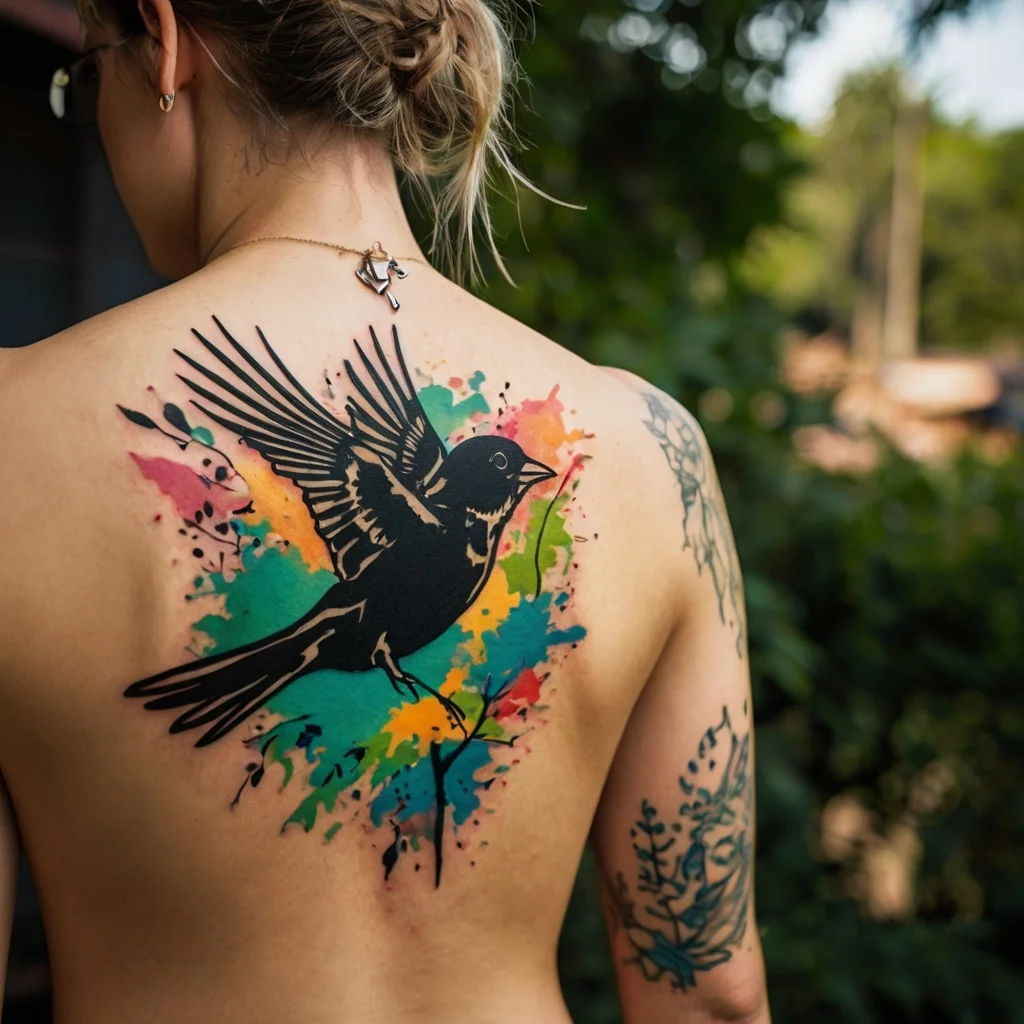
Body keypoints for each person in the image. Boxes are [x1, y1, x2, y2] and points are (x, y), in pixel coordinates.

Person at [0, 1, 769, 1021]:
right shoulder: (650, 450)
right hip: (362, 633)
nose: (92, 118)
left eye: (87, 78)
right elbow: (710, 992)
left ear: (165, 40)